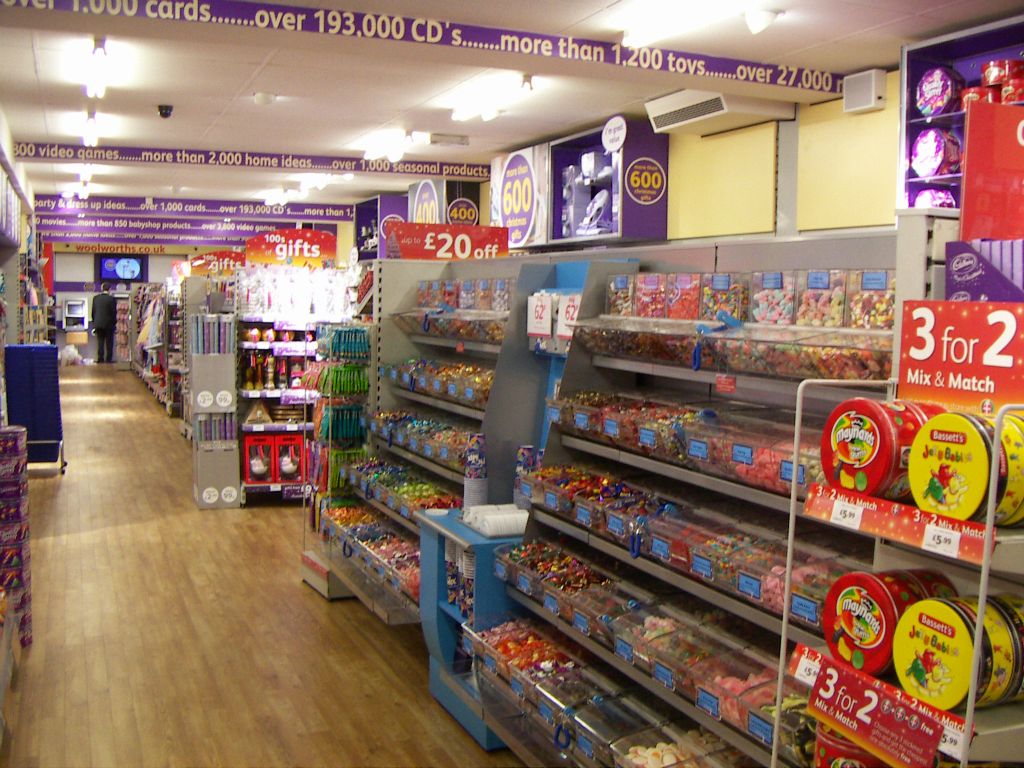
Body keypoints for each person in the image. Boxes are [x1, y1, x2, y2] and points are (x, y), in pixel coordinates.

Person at [91, 283, 116, 364]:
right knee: (109, 342)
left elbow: (93, 312)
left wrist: (94, 322)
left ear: (102, 288)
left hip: (98, 323)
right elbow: (113, 312)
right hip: (109, 324)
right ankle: (108, 359)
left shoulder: (96, 298)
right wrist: (114, 322)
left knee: (100, 342)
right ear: (109, 289)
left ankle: (100, 359)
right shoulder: (112, 299)